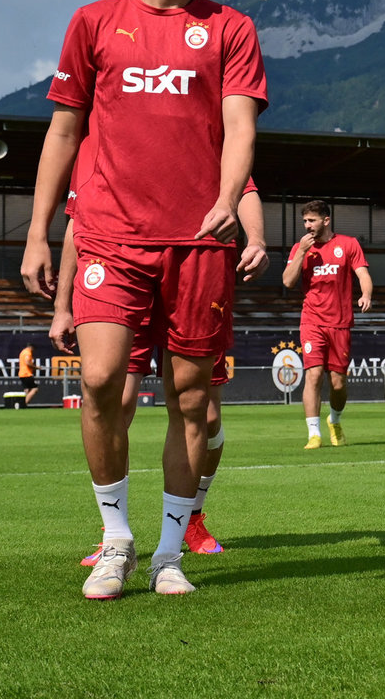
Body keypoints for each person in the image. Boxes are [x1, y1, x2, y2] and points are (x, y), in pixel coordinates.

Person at [20, 0, 268, 600]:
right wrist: (39, 234)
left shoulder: (230, 28)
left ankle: (167, 552)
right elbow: (63, 132)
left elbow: (241, 127)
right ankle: (115, 538)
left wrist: (228, 201)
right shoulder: (95, 23)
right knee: (100, 382)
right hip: (109, 235)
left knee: (191, 400)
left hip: (197, 244)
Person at [55, 175, 250, 562]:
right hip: (127, 269)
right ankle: (113, 532)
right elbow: (76, 225)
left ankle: (191, 516)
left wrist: (256, 239)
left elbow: (246, 189)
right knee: (114, 398)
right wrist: (62, 305)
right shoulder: (99, 144)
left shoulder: (207, 135)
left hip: (191, 269)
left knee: (206, 416)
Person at [282, 199, 372, 448]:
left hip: (340, 324)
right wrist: (301, 251)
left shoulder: (348, 244)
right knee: (313, 375)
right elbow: (288, 281)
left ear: (326, 220)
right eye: (305, 221)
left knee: (338, 383)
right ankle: (314, 433)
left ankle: (334, 420)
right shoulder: (300, 248)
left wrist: (366, 295)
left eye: (312, 220)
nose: (307, 225)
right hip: (311, 321)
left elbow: (363, 274)